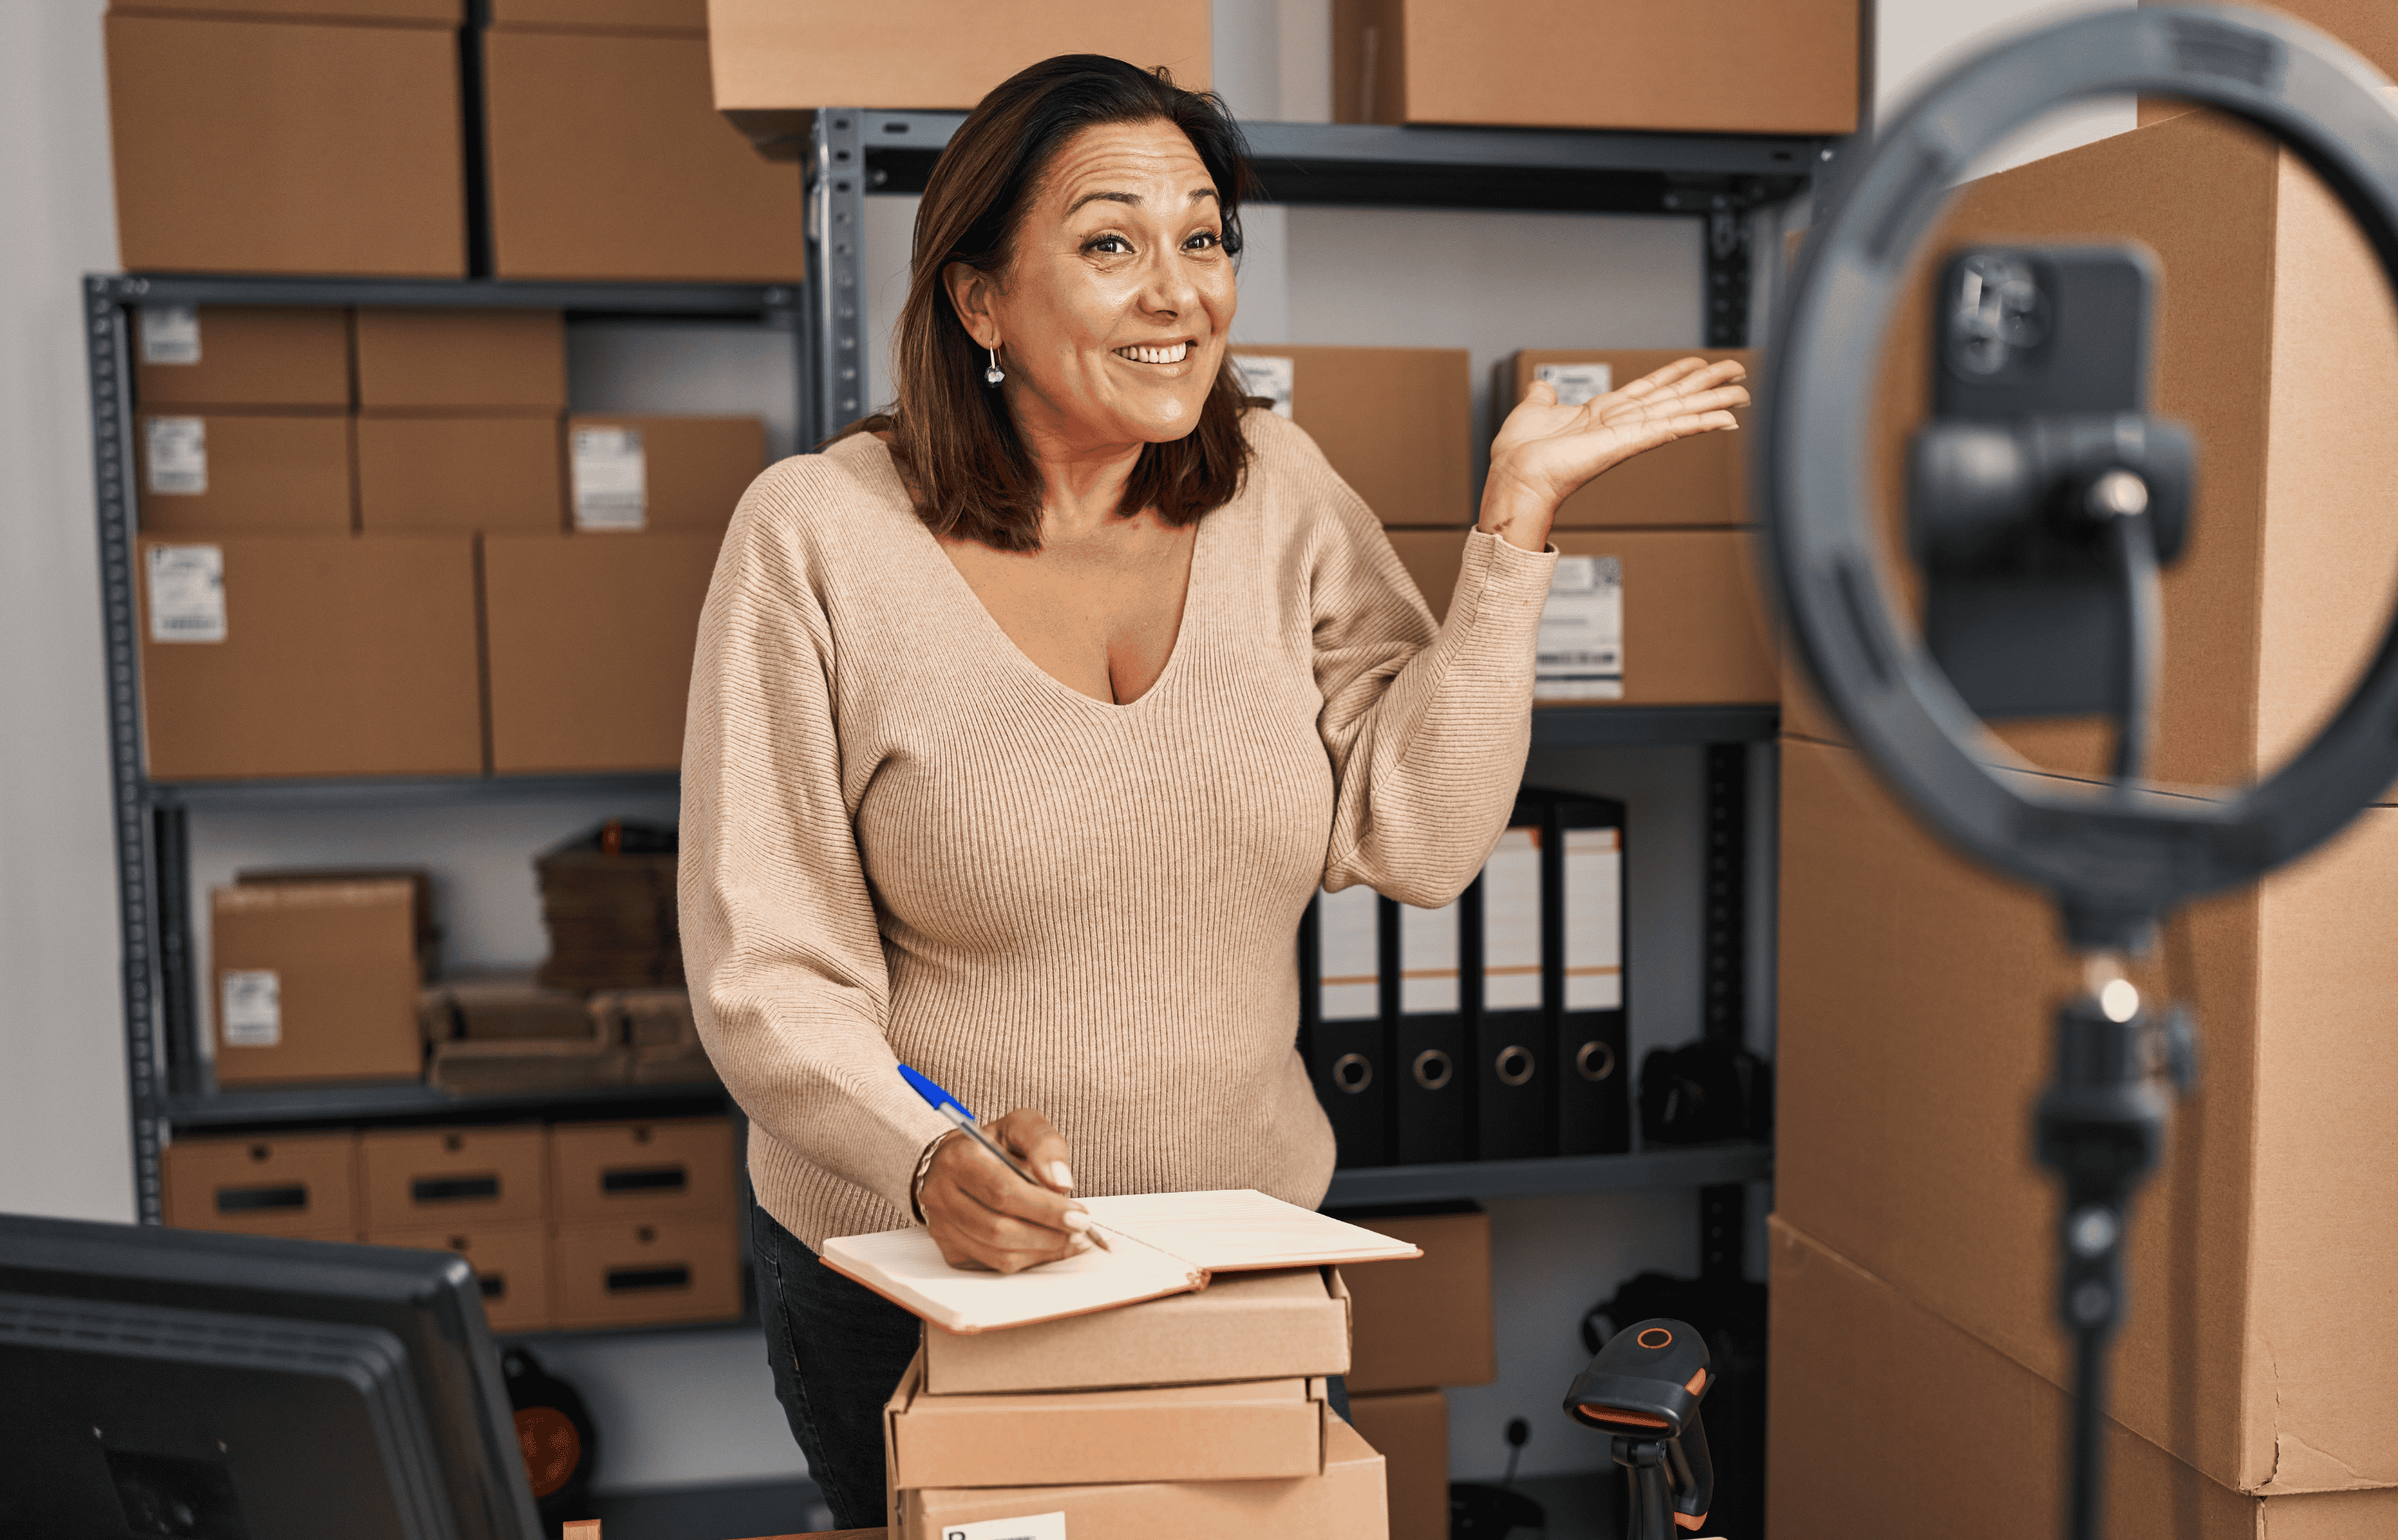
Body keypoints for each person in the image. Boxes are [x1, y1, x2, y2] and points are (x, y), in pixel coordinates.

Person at [678, 53, 1749, 1527]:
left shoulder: (1279, 490)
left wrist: (1514, 532)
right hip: (916, 1272)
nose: (1180, 292)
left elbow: (1421, 837)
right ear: (980, 300)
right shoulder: (816, 536)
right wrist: (925, 1163)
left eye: (1204, 236)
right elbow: (767, 966)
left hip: (1237, 1255)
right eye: (1112, 244)